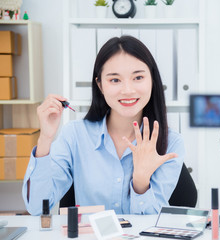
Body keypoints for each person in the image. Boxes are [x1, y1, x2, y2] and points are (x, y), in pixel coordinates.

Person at [22, 36, 185, 215]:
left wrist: (140, 181)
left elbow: (152, 225)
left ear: (152, 80)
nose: (128, 90)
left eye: (138, 77)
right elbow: (37, 207)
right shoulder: (75, 135)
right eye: (115, 80)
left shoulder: (171, 142)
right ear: (100, 84)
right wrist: (45, 138)